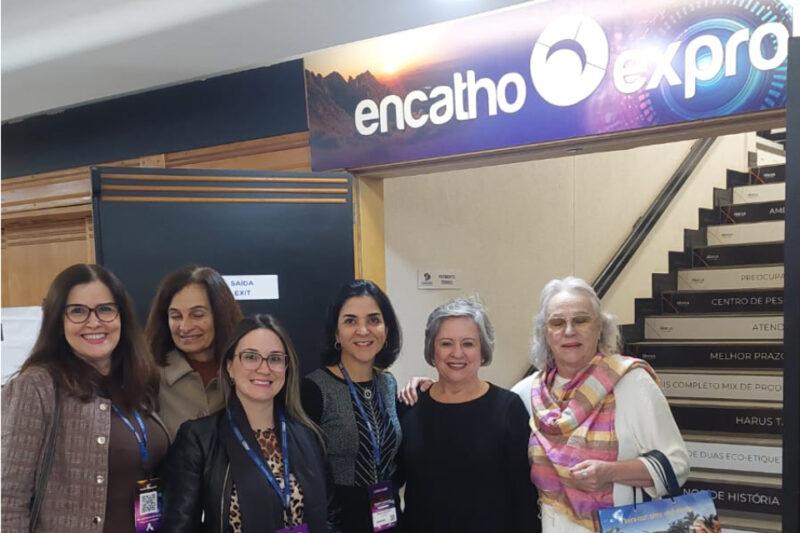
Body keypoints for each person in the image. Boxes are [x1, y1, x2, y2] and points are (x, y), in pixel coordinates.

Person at [1, 264, 168, 533]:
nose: (94, 322)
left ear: (121, 316)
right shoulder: (37, 387)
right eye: (77, 311)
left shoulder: (139, 381)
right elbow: (7, 501)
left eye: (105, 309)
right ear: (58, 320)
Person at [525, 276, 689, 532]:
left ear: (600, 327)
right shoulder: (528, 393)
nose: (569, 330)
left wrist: (610, 472)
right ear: (545, 333)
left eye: (581, 320)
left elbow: (677, 464)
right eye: (557, 322)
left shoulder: (631, 383)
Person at [162, 314, 333, 533]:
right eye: (251, 357)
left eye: (275, 358)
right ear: (230, 367)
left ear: (286, 367)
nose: (264, 368)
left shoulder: (310, 437)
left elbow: (331, 516)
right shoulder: (198, 439)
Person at [400, 297, 540, 533]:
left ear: (482, 350)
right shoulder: (409, 406)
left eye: (468, 343)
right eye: (446, 343)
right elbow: (392, 478)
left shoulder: (508, 408)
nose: (457, 353)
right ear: (432, 350)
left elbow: (524, 497)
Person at [301, 280, 403, 533]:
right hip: (338, 521)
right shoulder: (313, 389)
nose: (363, 330)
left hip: (387, 516)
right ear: (336, 333)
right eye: (350, 321)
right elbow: (304, 473)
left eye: (373, 320)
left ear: (386, 328)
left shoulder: (388, 384)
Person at [145, 265, 242, 437]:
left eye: (197, 315)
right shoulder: (148, 374)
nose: (184, 326)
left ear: (220, 315)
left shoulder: (247, 371)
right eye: (175, 316)